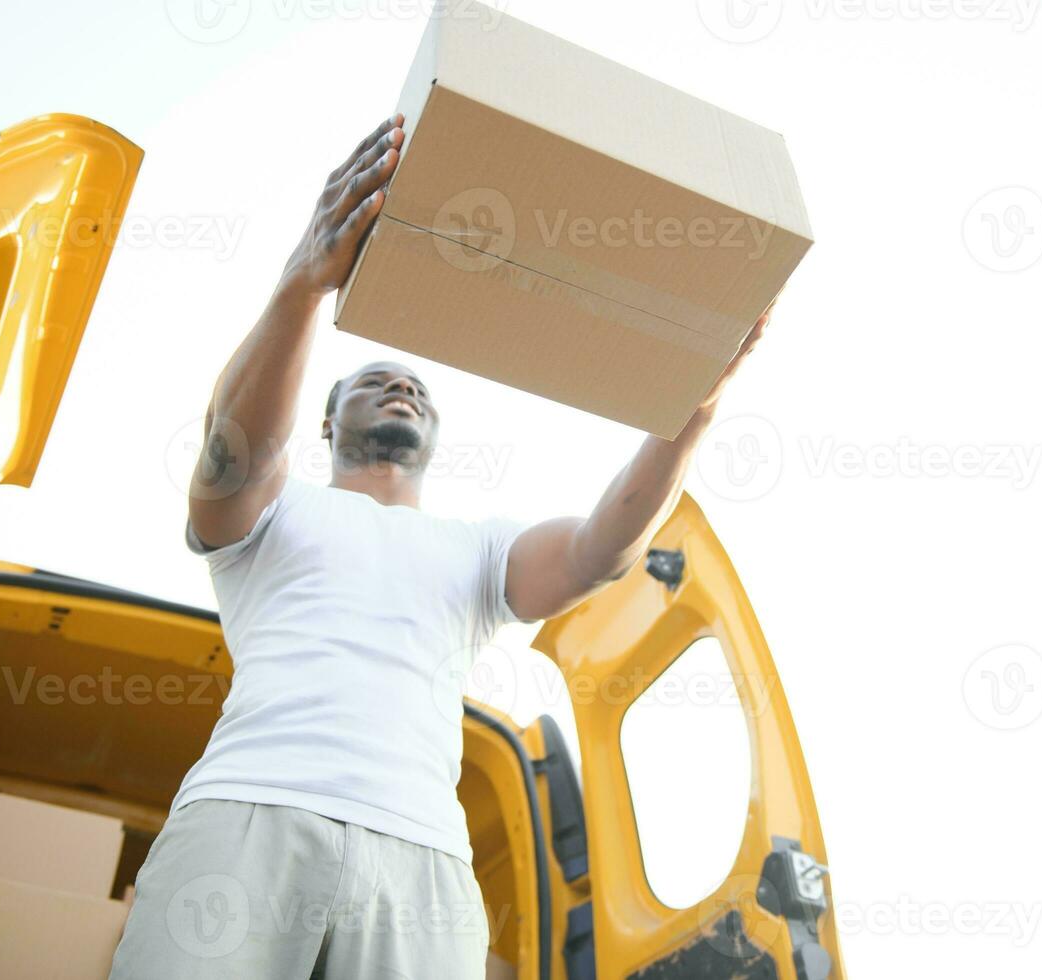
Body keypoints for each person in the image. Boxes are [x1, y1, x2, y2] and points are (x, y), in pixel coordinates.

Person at [110, 113, 772, 979]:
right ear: (327, 419)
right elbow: (231, 454)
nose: (399, 388)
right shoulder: (273, 510)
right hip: (250, 812)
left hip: (421, 860)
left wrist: (694, 410)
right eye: (374, 381)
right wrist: (302, 287)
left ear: (434, 428)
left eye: (415, 386)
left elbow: (602, 550)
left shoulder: (479, 549)